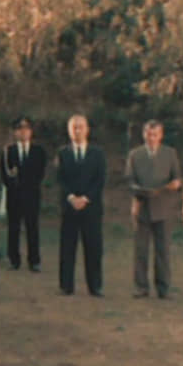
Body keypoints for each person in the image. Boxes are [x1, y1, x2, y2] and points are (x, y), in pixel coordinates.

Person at [125, 120, 182, 298]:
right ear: (144, 134)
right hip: (142, 207)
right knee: (141, 250)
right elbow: (129, 180)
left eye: (155, 134)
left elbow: (177, 178)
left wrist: (175, 184)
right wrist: (139, 190)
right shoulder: (135, 155)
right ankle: (141, 287)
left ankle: (163, 288)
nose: (151, 138)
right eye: (149, 134)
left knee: (163, 250)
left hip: (163, 208)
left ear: (161, 135)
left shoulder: (170, 153)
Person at [57, 114, 106, 297]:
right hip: (69, 207)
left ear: (87, 129)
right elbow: (60, 179)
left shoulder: (97, 153)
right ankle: (66, 285)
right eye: (74, 127)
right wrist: (71, 198)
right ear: (69, 131)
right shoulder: (63, 153)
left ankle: (95, 286)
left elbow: (100, 180)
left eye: (80, 127)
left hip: (91, 207)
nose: (77, 131)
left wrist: (85, 198)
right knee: (67, 247)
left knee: (93, 248)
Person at [0, 116, 47, 272]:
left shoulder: (38, 151)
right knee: (13, 228)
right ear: (15, 132)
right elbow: (4, 174)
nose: (23, 132)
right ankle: (14, 260)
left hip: (32, 195)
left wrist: (26, 182)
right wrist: (13, 180)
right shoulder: (8, 151)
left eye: (26, 128)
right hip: (14, 196)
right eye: (19, 129)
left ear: (31, 132)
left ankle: (34, 261)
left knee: (32, 228)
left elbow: (40, 173)